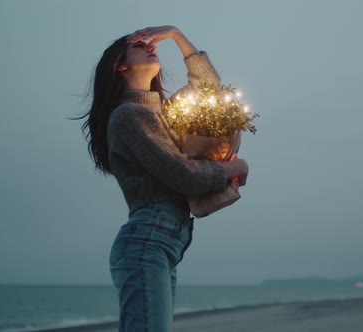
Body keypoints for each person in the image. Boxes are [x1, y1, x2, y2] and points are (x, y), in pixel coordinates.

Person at [75, 26, 249, 331]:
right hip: (146, 244)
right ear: (121, 65)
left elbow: (208, 86)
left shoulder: (160, 113)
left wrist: (176, 36)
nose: (150, 46)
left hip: (160, 246)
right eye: (138, 46)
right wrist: (232, 169)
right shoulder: (129, 115)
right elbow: (181, 174)